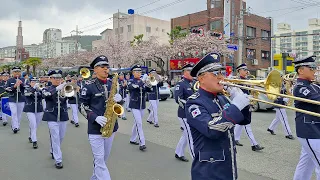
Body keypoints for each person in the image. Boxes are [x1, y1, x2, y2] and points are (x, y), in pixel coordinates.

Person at [185, 52, 250, 180]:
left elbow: (244, 121)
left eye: (222, 72)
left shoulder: (222, 98)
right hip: (209, 172)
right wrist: (235, 107)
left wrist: (243, 103)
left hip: (228, 168)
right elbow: (212, 129)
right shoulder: (194, 103)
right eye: (216, 73)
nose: (221, 77)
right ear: (201, 78)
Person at [79, 55, 122, 180]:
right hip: (95, 128)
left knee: (103, 159)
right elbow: (82, 106)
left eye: (107, 67)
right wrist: (95, 117)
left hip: (111, 127)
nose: (106, 69)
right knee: (99, 160)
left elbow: (117, 105)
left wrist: (121, 100)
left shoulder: (112, 83)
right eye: (102, 67)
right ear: (95, 69)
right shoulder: (88, 85)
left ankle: (94, 177)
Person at [292, 55, 320, 180]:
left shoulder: (314, 86)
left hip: (314, 130)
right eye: (312, 67)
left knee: (305, 165)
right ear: (301, 70)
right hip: (310, 131)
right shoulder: (300, 88)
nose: (315, 70)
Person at [233, 63, 264, 151]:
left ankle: (235, 139)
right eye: (244, 70)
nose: (247, 71)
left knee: (240, 124)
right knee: (247, 125)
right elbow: (238, 94)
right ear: (239, 71)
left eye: (247, 70)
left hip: (246, 105)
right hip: (242, 106)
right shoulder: (237, 81)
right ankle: (254, 144)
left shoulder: (247, 80)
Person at [42, 69, 68, 169]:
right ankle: (58, 159)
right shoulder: (46, 88)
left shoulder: (64, 88)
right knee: (55, 137)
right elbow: (46, 95)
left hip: (62, 115)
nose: (58, 80)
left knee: (61, 137)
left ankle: (53, 149)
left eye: (59, 78)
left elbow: (72, 99)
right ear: (51, 78)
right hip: (51, 115)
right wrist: (57, 89)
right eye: (55, 78)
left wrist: (71, 91)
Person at [174, 64, 195, 162]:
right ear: (184, 72)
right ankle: (195, 158)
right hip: (184, 114)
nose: (192, 72)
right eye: (189, 70)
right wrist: (190, 105)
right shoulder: (180, 84)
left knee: (185, 135)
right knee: (190, 135)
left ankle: (179, 152)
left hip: (192, 114)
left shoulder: (194, 83)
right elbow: (178, 99)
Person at [128, 64, 151, 151]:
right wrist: (140, 84)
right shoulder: (131, 81)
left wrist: (149, 85)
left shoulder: (142, 81)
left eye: (140, 71)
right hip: (134, 105)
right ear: (133, 73)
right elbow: (131, 87)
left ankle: (132, 139)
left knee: (137, 123)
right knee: (139, 123)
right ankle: (142, 143)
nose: (139, 73)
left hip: (142, 105)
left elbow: (148, 90)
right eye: (137, 71)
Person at [23, 77, 44, 149]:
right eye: (32, 82)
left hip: (39, 109)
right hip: (30, 109)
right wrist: (33, 89)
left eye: (35, 82)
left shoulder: (41, 89)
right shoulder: (27, 88)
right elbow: (26, 94)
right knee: (33, 124)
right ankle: (34, 141)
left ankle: (31, 135)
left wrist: (40, 90)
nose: (34, 83)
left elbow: (44, 96)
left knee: (35, 125)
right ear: (30, 83)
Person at [5, 66, 26, 133]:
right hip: (12, 99)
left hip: (21, 98)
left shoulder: (23, 79)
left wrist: (21, 84)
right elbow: (7, 89)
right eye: (15, 72)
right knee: (14, 113)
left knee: (19, 114)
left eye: (18, 71)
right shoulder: (9, 80)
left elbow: (27, 87)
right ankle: (15, 127)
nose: (17, 73)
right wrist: (14, 86)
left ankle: (17, 125)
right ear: (12, 72)